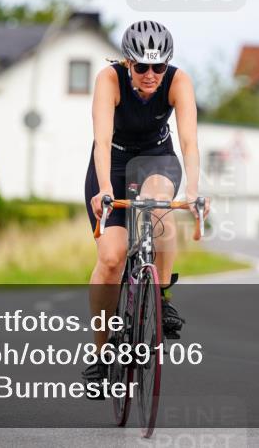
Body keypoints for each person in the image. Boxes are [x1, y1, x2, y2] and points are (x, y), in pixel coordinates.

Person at [81, 21, 208, 394]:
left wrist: (196, 190)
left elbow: (189, 141)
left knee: (156, 207)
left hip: (157, 158)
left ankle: (162, 294)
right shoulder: (108, 80)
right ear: (127, 63)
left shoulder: (178, 81)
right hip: (114, 163)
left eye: (159, 67)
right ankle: (102, 353)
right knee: (111, 259)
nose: (151, 75)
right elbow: (101, 141)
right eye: (141, 67)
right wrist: (104, 189)